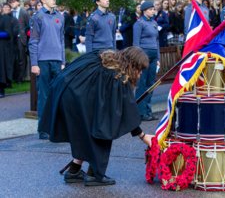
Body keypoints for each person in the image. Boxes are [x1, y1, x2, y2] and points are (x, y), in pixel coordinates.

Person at [41, 47, 153, 186]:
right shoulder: (117, 77)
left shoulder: (105, 57)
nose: (140, 73)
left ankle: (74, 171)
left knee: (87, 131)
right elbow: (127, 110)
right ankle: (94, 175)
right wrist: (143, 136)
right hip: (73, 96)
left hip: (65, 90)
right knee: (104, 126)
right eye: (139, 69)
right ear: (132, 65)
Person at [28, 0, 65, 139]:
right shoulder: (37, 17)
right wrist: (34, 63)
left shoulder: (60, 16)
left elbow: (62, 40)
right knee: (44, 95)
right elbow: (33, 41)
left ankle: (56, 126)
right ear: (43, 0)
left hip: (57, 60)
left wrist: (63, 60)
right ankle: (43, 129)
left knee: (59, 94)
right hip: (43, 61)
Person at [133, 0, 160, 121]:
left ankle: (148, 111)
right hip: (143, 56)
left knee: (151, 84)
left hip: (154, 56)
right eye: (151, 9)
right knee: (142, 84)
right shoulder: (139, 23)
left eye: (153, 9)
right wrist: (137, 58)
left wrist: (158, 58)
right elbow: (136, 43)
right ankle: (140, 112)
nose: (153, 11)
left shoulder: (154, 23)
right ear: (144, 11)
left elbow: (157, 41)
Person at [7, 0, 30, 83]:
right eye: (10, 2)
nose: (12, 3)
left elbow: (28, 26)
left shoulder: (24, 12)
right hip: (12, 39)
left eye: (13, 2)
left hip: (21, 39)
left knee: (22, 59)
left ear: (18, 2)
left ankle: (20, 78)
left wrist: (26, 37)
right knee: (13, 58)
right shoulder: (10, 13)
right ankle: (14, 76)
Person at [0, 11, 18, 98]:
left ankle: (1, 90)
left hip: (2, 47)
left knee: (1, 70)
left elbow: (8, 33)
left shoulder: (5, 19)